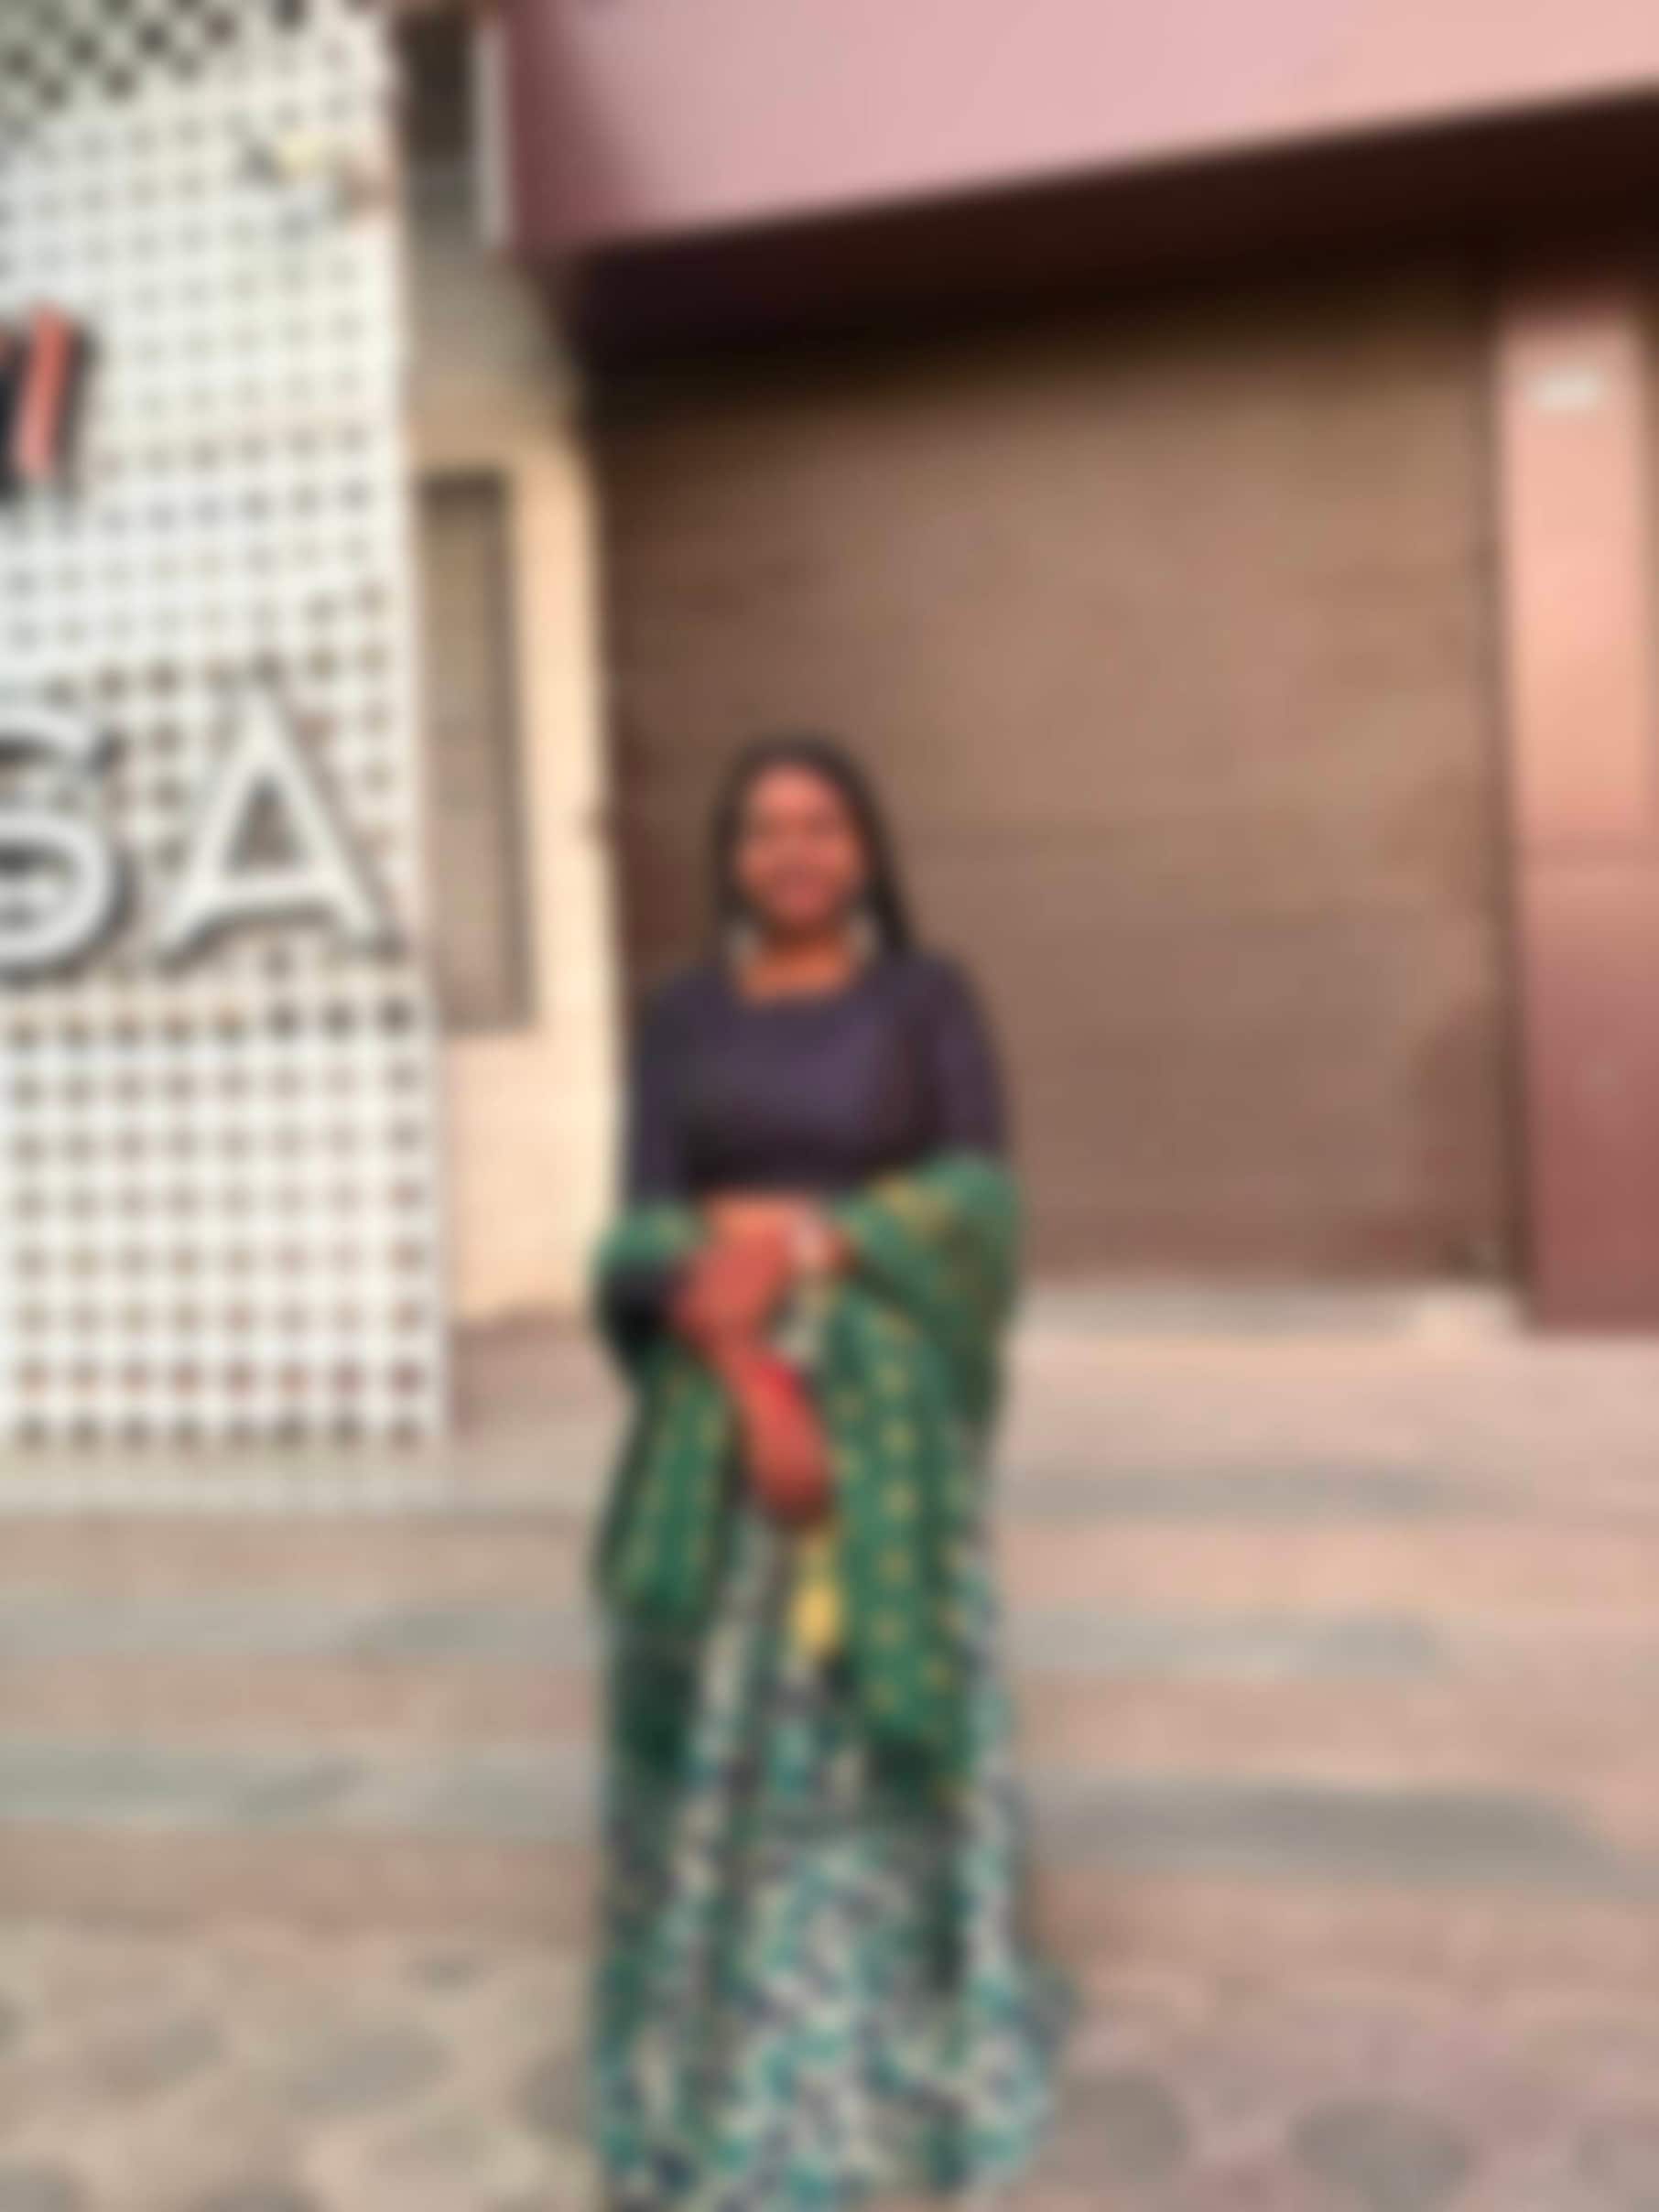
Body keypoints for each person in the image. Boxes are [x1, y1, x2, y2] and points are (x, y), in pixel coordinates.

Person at [590, 733, 1068, 2211]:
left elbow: (980, 1194)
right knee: (723, 1715)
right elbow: (641, 1221)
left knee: (861, 1714)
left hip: (888, 1410)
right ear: (731, 858)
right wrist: (747, 1369)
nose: (793, 850)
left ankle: (891, 2039)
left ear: (864, 851)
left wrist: (810, 1247)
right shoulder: (681, 1015)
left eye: (823, 824)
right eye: (763, 828)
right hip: (715, 1407)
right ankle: (725, 2043)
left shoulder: (927, 999)